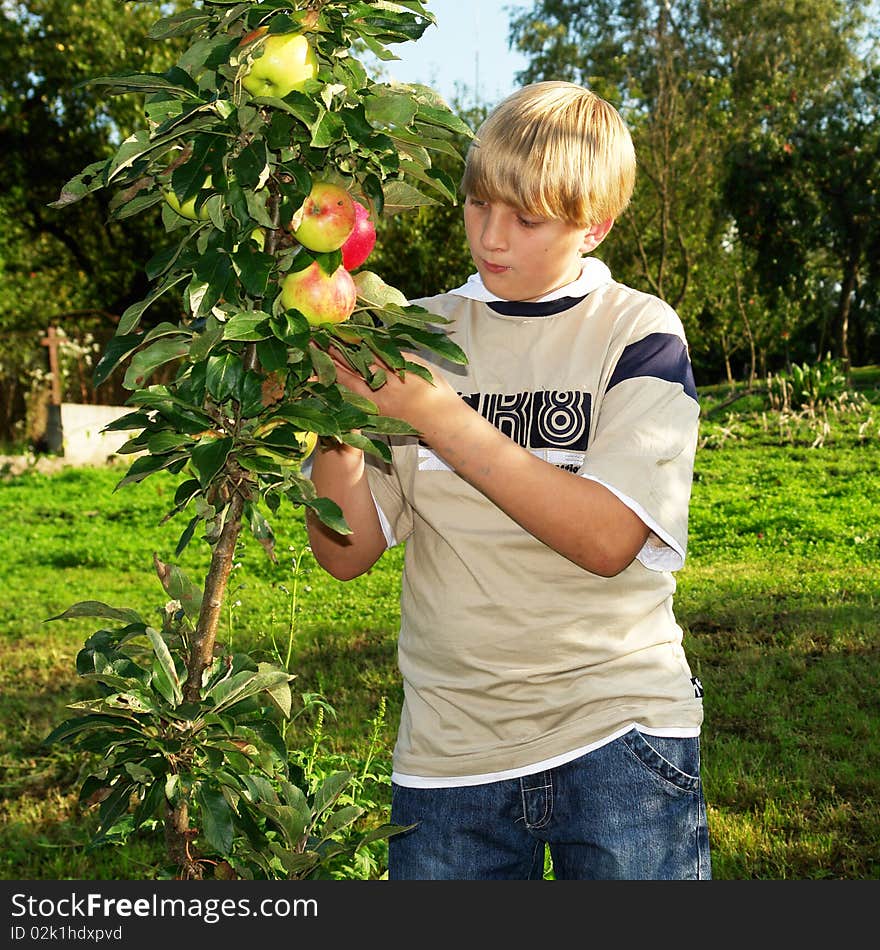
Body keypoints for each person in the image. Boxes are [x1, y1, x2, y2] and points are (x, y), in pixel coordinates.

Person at [305, 80, 711, 880]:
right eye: (477, 203)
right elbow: (345, 551)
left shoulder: (637, 333)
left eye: (526, 219)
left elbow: (604, 539)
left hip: (619, 731)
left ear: (594, 223)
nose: (491, 237)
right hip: (451, 752)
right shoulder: (416, 334)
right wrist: (335, 416)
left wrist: (435, 413)